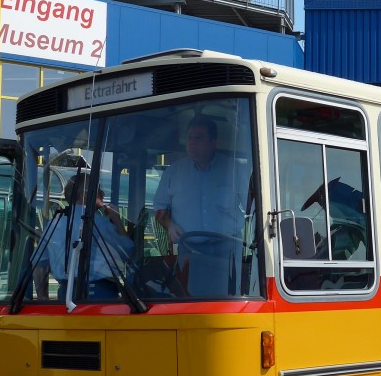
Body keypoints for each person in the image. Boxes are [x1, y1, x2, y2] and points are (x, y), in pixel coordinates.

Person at [153, 115, 249, 295]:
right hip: (190, 250)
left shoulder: (234, 169)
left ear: (213, 142)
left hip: (227, 248)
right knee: (190, 299)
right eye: (190, 138)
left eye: (199, 138)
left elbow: (253, 208)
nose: (192, 143)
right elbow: (159, 207)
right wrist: (169, 225)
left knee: (229, 298)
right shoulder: (174, 172)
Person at [33, 173, 133, 303]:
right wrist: (117, 220)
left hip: (65, 294)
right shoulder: (99, 223)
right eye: (98, 190)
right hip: (100, 293)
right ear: (84, 195)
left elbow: (38, 263)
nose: (103, 194)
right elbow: (128, 250)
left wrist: (42, 297)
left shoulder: (54, 224)